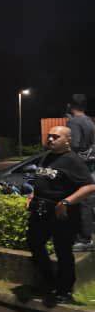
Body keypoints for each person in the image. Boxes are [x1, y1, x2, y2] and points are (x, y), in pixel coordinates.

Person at [27, 126, 95, 304]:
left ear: (67, 140)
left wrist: (66, 202)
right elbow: (43, 179)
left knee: (63, 251)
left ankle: (64, 290)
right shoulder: (47, 156)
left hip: (62, 214)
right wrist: (33, 194)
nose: (50, 139)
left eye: (56, 137)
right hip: (40, 211)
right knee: (34, 243)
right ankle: (48, 281)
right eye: (49, 136)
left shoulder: (73, 160)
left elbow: (89, 186)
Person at [66, 96, 95, 251]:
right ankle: (85, 237)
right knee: (86, 202)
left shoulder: (74, 122)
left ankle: (83, 239)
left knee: (79, 202)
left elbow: (74, 145)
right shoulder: (89, 121)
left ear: (70, 106)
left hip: (78, 167)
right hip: (89, 166)